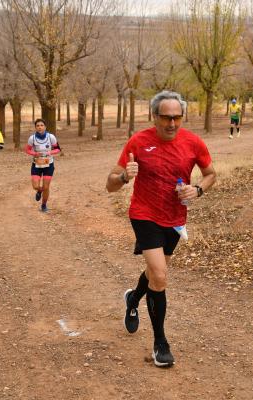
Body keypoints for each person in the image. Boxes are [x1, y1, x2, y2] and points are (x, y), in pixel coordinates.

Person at [106, 90, 216, 368]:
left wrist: (198, 190)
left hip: (175, 218)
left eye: (177, 118)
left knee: (156, 273)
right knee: (161, 275)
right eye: (166, 117)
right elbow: (110, 184)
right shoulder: (139, 142)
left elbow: (211, 173)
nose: (172, 124)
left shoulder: (193, 143)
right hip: (144, 214)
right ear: (153, 116)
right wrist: (123, 177)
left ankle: (133, 297)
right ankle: (160, 344)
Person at [25, 118, 61, 212]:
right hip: (36, 164)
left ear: (45, 127)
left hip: (48, 164)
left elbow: (58, 149)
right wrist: (34, 154)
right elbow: (27, 150)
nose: (40, 127)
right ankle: (39, 191)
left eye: (41, 125)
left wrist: (50, 152)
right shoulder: (32, 138)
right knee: (35, 186)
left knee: (46, 187)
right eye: (37, 126)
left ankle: (44, 205)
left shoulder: (51, 137)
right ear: (35, 128)